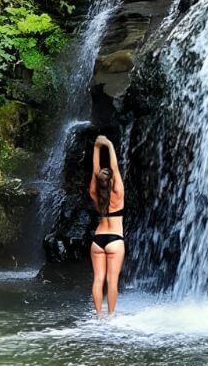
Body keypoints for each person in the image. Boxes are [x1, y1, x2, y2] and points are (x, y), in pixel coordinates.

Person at [89, 135, 125, 316]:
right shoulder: (117, 192)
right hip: (115, 240)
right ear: (112, 180)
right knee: (112, 281)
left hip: (97, 240)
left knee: (98, 279)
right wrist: (108, 145)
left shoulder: (95, 194)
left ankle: (98, 315)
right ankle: (110, 316)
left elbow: (95, 170)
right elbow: (115, 168)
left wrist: (96, 146)